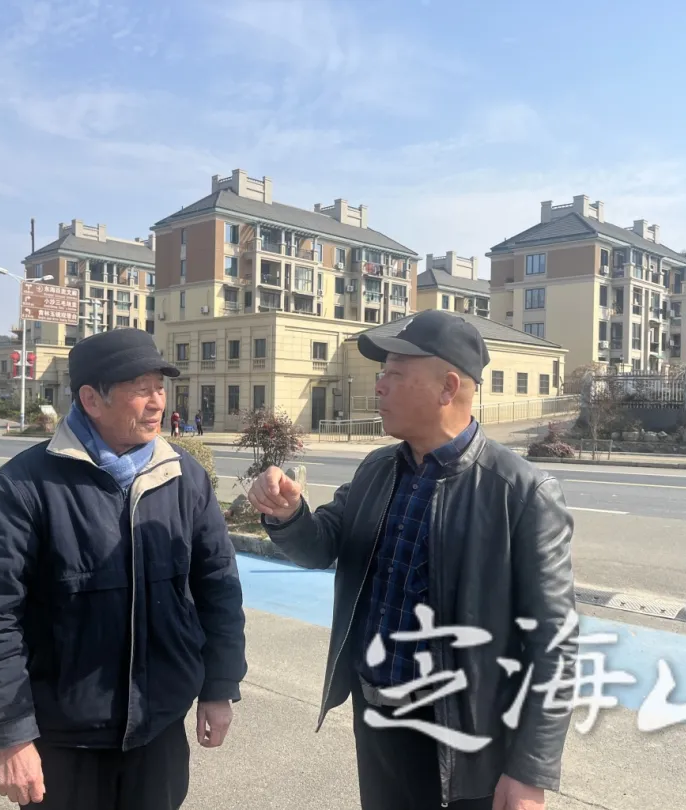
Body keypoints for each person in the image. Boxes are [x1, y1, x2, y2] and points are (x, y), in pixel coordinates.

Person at [246, 310, 577, 810]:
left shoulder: (521, 492)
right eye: (382, 374)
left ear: (448, 387)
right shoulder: (379, 469)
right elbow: (320, 545)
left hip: (465, 749)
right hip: (378, 724)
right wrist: (289, 513)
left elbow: (555, 643)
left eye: (395, 374)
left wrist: (529, 770)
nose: (379, 386)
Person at [0, 328, 247, 809]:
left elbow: (218, 590)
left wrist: (219, 686)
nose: (158, 402)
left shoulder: (184, 477)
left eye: (160, 387)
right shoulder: (24, 487)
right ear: (91, 399)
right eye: (141, 389)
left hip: (159, 732)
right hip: (63, 741)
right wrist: (9, 734)